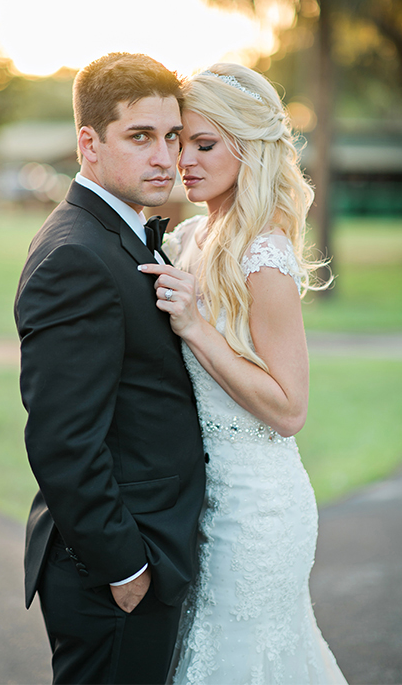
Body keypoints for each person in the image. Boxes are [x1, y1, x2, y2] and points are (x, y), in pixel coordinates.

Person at [137, 63, 347, 683]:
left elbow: (289, 410)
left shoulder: (265, 255)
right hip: (202, 500)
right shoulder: (193, 236)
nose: (185, 162)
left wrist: (197, 328)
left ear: (248, 148)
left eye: (205, 145)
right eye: (181, 143)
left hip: (258, 510)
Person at [14, 53, 207, 684]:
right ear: (88, 143)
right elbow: (62, 439)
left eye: (172, 136)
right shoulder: (77, 257)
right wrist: (126, 568)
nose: (164, 157)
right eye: (141, 137)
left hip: (147, 545)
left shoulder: (118, 236)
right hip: (117, 565)